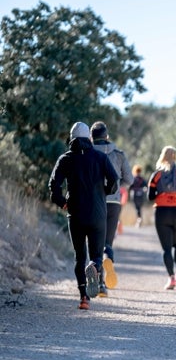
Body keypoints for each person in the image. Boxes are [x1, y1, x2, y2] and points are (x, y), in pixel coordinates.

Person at [49, 122, 118, 310]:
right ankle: (95, 267)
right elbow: (114, 181)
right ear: (89, 138)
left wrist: (62, 202)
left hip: (76, 214)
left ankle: (83, 298)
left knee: (79, 257)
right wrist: (104, 192)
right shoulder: (100, 157)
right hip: (97, 214)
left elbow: (53, 186)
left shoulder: (65, 159)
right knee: (96, 254)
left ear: (71, 139)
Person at [90, 121, 133, 296]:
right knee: (108, 241)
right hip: (114, 202)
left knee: (94, 242)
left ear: (91, 137)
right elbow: (129, 179)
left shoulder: (88, 152)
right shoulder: (119, 154)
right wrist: (116, 187)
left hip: (94, 202)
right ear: (107, 136)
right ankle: (109, 258)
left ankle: (100, 285)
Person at [147, 146, 176, 291]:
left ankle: (171, 279)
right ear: (175, 157)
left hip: (162, 212)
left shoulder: (156, 175)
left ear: (162, 156)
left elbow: (150, 196)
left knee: (166, 248)